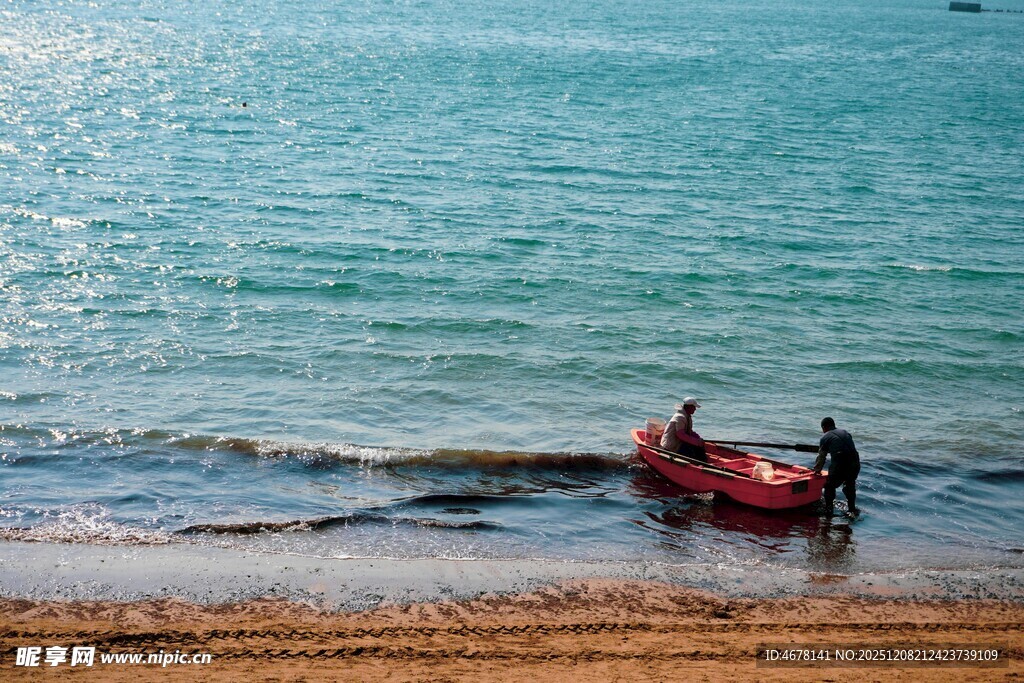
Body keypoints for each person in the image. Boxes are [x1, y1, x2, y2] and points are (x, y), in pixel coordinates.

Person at [814, 417, 861, 516]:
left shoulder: (825, 437)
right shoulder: (845, 433)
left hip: (840, 463)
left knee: (829, 486)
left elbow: (821, 457)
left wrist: (817, 470)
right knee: (850, 485)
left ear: (824, 427)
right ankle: (852, 509)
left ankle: (828, 510)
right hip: (855, 462)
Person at [660, 397, 707, 462]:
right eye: (694, 407)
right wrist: (696, 442)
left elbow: (689, 432)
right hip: (671, 445)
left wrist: (698, 439)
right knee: (692, 452)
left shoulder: (687, 416)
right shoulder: (680, 417)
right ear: (689, 407)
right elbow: (680, 435)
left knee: (699, 448)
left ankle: (702, 462)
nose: (695, 409)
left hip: (679, 443)